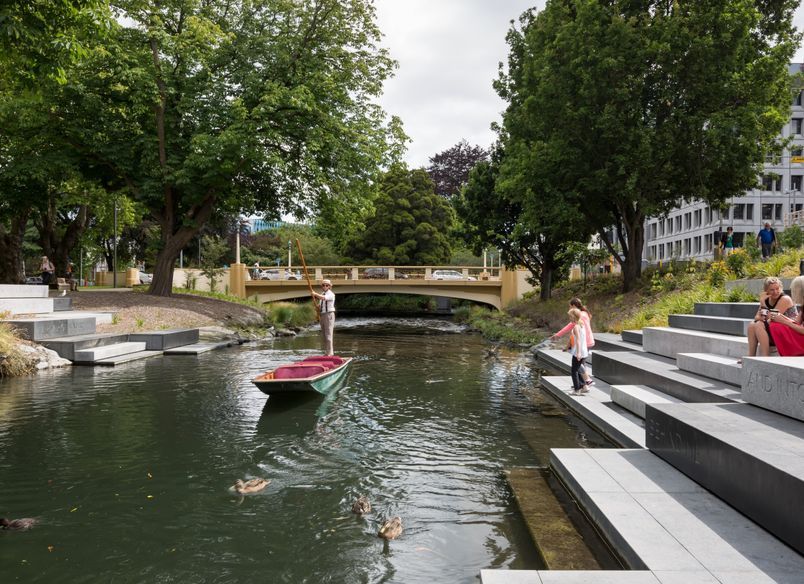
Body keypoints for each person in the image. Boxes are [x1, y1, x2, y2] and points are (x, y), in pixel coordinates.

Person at [743, 276, 796, 361]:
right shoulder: (768, 299)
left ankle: (765, 357)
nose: (775, 292)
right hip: (775, 329)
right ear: (766, 291)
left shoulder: (785, 299)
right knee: (752, 325)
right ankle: (750, 356)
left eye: (777, 288)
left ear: (781, 288)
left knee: (759, 324)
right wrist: (763, 315)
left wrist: (762, 303)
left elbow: (772, 317)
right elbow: (757, 317)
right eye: (772, 290)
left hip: (788, 332)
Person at [552, 297, 595, 386]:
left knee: (578, 364)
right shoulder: (584, 313)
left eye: (570, 306)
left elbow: (569, 326)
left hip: (584, 342)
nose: (569, 308)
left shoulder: (580, 315)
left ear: (574, 306)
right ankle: (582, 384)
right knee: (580, 363)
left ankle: (587, 380)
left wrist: (558, 335)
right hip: (588, 340)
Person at [768, 276, 804, 356]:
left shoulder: (785, 299)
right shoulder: (803, 305)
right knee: (775, 323)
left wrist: (783, 321)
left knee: (775, 326)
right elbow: (796, 322)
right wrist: (781, 316)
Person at [566, 308, 590, 396]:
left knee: (574, 370)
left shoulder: (576, 327)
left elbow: (578, 340)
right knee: (578, 369)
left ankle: (577, 390)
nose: (569, 318)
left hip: (578, 351)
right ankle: (583, 386)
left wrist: (578, 353)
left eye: (570, 316)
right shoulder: (581, 324)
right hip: (583, 350)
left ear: (573, 316)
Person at [313, 279, 336, 356]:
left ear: (329, 286)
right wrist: (317, 307)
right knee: (324, 335)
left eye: (327, 285)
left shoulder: (331, 294)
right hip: (323, 315)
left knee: (329, 334)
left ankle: (330, 353)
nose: (325, 286)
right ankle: (327, 352)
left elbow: (324, 298)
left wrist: (315, 294)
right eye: (323, 285)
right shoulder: (322, 293)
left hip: (329, 315)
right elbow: (321, 304)